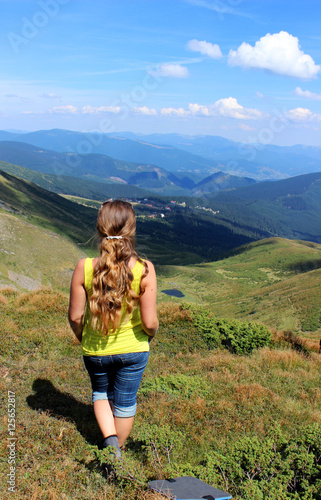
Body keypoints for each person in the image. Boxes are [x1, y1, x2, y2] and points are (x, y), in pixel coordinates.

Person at [68, 200, 158, 458]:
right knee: (125, 401)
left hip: (95, 349)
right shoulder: (145, 269)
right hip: (134, 348)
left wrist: (85, 337)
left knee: (100, 394)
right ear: (132, 230)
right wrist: (148, 337)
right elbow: (150, 322)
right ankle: (116, 455)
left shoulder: (84, 267)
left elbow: (75, 316)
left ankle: (110, 447)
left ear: (99, 229)